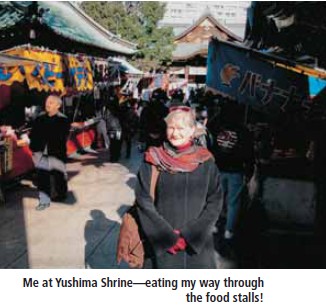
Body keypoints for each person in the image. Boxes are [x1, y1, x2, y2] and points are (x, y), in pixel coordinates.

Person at [135, 105, 223, 268]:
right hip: (162, 247)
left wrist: (190, 236)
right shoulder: (153, 158)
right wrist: (167, 237)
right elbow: (143, 201)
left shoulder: (206, 161)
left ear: (192, 130)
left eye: (181, 128)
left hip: (198, 247)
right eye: (171, 127)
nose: (175, 133)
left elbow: (215, 201)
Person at [209, 102, 254, 240]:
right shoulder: (243, 131)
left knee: (217, 199)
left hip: (218, 168)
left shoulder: (216, 126)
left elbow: (208, 144)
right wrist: (249, 171)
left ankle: (214, 225)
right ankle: (229, 230)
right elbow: (249, 153)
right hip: (237, 170)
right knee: (233, 202)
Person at [29, 95, 70, 211]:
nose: (48, 104)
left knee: (59, 176)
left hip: (56, 152)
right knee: (42, 177)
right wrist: (34, 147)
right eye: (47, 102)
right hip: (41, 152)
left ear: (58, 105)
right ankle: (44, 201)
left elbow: (61, 136)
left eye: (51, 102)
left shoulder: (63, 119)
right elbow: (33, 134)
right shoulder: (40, 118)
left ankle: (61, 194)